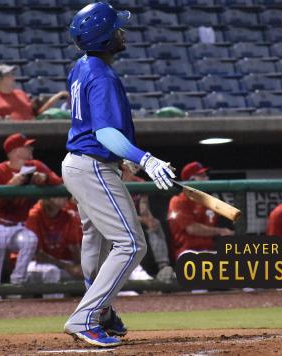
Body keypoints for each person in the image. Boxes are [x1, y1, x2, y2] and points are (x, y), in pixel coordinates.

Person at [61, 2, 176, 347]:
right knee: (131, 243)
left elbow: (90, 127)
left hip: (81, 163)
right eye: (115, 29)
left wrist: (124, 159)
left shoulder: (81, 67)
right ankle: (85, 316)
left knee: (95, 242)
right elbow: (104, 133)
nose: (121, 32)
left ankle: (103, 311)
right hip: (93, 164)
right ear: (105, 38)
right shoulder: (103, 76)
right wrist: (145, 157)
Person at [0, 133, 62, 301]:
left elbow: (58, 181)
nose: (31, 148)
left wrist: (44, 178)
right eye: (26, 146)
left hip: (17, 227)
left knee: (30, 240)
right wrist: (11, 185)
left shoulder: (35, 165)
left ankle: (17, 280)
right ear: (15, 151)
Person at [167, 161, 234, 261]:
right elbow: (192, 228)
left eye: (206, 175)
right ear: (191, 180)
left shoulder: (209, 201)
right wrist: (221, 231)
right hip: (187, 251)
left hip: (209, 250)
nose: (207, 178)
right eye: (201, 176)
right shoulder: (178, 201)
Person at [121, 161, 174, 281]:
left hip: (133, 218)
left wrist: (149, 220)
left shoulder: (140, 182)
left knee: (155, 223)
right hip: (113, 218)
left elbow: (143, 209)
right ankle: (131, 268)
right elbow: (118, 212)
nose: (135, 167)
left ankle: (163, 267)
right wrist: (143, 220)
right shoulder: (112, 180)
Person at [22, 197, 83, 297]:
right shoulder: (34, 215)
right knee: (51, 271)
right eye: (60, 196)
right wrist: (67, 267)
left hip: (57, 263)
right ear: (48, 198)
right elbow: (37, 255)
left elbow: (74, 248)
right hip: (31, 264)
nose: (65, 199)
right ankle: (51, 309)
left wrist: (81, 266)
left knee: (89, 270)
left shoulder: (67, 216)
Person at [0, 64, 69, 120]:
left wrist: (58, 96)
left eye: (13, 74)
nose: (13, 77)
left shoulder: (21, 93)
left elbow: (36, 114)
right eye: (9, 75)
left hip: (33, 132)